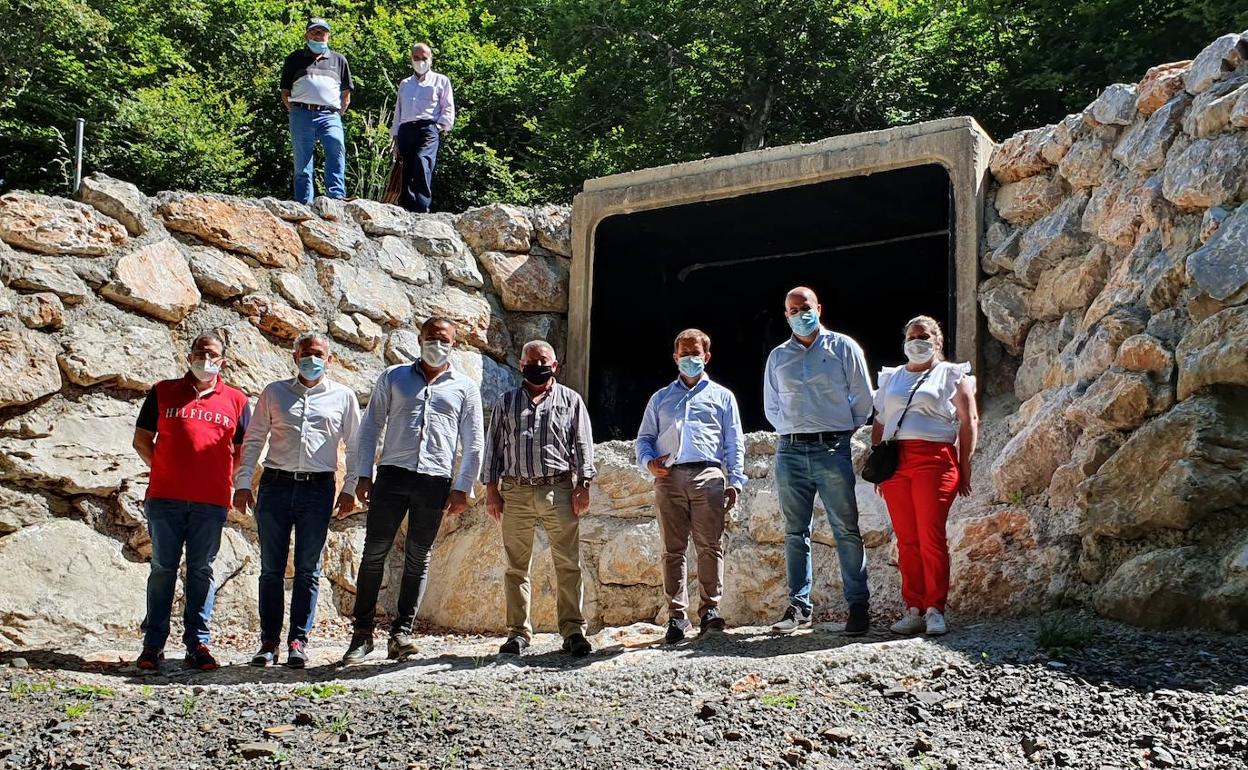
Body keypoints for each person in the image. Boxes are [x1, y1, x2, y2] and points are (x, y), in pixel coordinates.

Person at [342, 317, 483, 664]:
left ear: (454, 344)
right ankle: (362, 634)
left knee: (419, 559)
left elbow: (473, 441)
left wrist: (463, 486)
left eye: (444, 339)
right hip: (392, 475)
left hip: (434, 481)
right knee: (374, 553)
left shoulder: (465, 387)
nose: (438, 343)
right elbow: (372, 424)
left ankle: (401, 634)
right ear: (420, 339)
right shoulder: (394, 377)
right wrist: (363, 473)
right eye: (432, 337)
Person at [233, 332, 362, 668]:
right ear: (295, 356)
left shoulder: (343, 397)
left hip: (317, 490)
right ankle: (268, 642)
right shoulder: (274, 393)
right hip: (275, 485)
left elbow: (356, 446)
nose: (312, 358)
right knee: (271, 570)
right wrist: (243, 482)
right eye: (306, 352)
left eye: (318, 353)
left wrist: (349, 489)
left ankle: (298, 642)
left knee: (308, 570)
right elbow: (255, 438)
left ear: (329, 359)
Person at [131, 332, 252, 672]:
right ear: (189, 356)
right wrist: (167, 468)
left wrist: (219, 476)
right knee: (162, 570)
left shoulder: (237, 401)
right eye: (199, 351)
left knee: (201, 570)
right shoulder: (162, 391)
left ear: (223, 361)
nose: (204, 357)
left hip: (210, 502)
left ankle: (197, 643)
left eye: (211, 353)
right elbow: (141, 440)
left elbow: (243, 451)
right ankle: (152, 645)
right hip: (164, 499)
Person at [763, 286, 874, 635]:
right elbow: (771, 406)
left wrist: (840, 431)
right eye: (793, 310)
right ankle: (799, 607)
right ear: (786, 315)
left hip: (832, 449)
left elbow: (863, 398)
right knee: (796, 532)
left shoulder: (843, 347)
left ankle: (857, 605)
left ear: (819, 308)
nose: (800, 314)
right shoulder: (778, 357)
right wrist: (796, 429)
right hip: (790, 451)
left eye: (805, 307)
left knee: (846, 529)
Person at [482, 340, 596, 657]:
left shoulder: (571, 401)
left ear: (555, 365)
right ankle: (518, 633)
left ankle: (573, 631)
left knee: (568, 564)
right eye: (531, 360)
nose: (538, 364)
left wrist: (583, 484)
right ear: (521, 365)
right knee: (516, 567)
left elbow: (583, 445)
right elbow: (494, 448)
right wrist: (491, 490)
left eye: (543, 360)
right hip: (515, 491)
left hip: (558, 489)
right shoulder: (506, 403)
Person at [636, 329, 746, 644]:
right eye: (683, 354)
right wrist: (648, 463)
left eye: (695, 354)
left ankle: (710, 610)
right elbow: (644, 438)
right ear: (675, 358)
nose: (689, 359)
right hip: (669, 477)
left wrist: (735, 480)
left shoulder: (723, 396)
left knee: (710, 545)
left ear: (706, 357)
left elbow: (733, 441)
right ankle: (677, 616)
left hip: (708, 475)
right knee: (673, 550)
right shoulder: (660, 398)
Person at [872, 316, 978, 637]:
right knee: (906, 540)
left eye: (924, 336)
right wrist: (880, 465)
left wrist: (965, 465)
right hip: (897, 463)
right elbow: (880, 421)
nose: (917, 341)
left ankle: (935, 608)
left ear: (937, 342)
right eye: (912, 336)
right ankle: (914, 608)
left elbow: (969, 420)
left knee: (930, 535)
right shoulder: (892, 377)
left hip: (935, 461)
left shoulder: (951, 374)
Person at [279, 18, 353, 204]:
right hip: (301, 114)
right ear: (307, 35)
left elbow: (346, 94)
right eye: (314, 32)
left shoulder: (339, 60)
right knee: (302, 162)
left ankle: (336, 197)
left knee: (336, 149)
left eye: (322, 32)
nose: (318, 35)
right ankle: (304, 203)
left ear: (328, 35)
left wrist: (337, 114)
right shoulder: (294, 59)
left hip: (330, 115)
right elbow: (285, 91)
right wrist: (296, 111)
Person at [389, 42, 455, 212]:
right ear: (411, 59)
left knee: (422, 161)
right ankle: (406, 207)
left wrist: (440, 127)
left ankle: (422, 206)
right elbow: (399, 109)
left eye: (424, 58)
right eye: (416, 58)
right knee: (405, 167)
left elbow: (447, 106)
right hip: (406, 129)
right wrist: (395, 136)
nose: (420, 61)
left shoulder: (441, 80)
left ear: (430, 59)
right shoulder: (405, 84)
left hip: (428, 128)